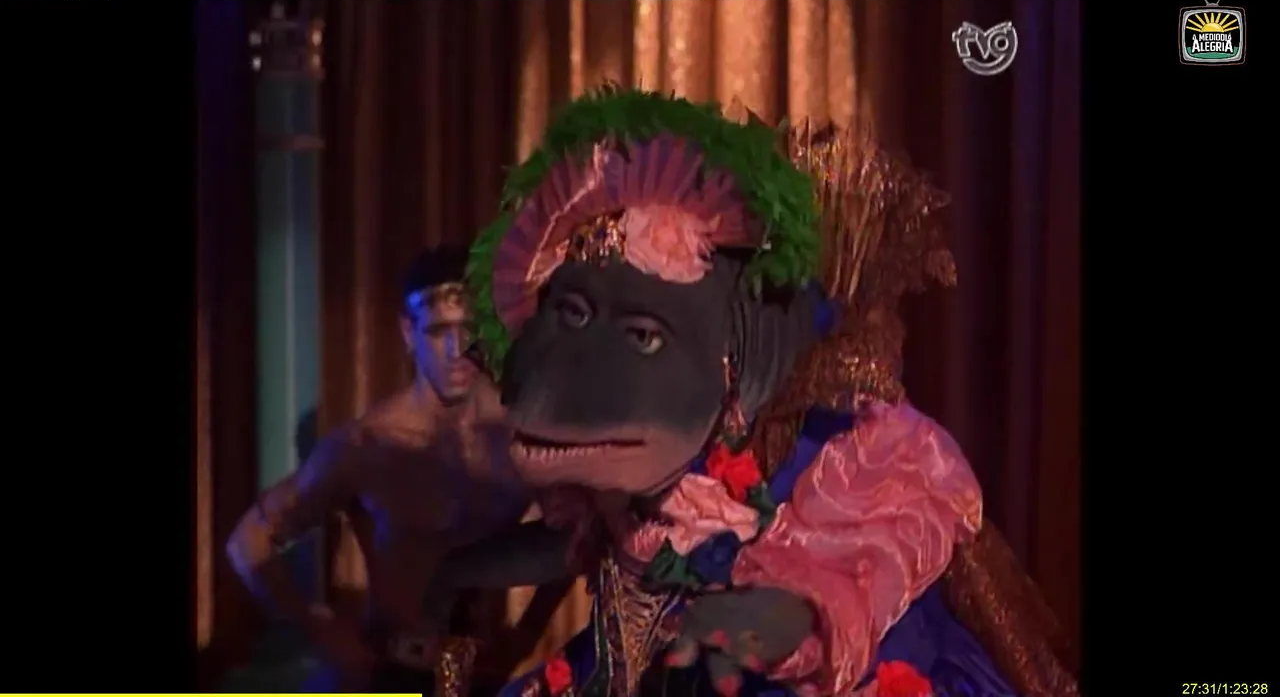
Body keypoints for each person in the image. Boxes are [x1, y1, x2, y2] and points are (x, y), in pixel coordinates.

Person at [436, 89, 1078, 696]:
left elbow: (843, 593)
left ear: (727, 362)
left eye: (640, 334)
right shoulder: (636, 476)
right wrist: (456, 571)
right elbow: (590, 549)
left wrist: (758, 625)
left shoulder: (846, 450)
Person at [225, 245, 529, 695]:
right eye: (438, 331)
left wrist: (527, 635)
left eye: (468, 328)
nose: (457, 349)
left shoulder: (518, 435)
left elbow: (582, 533)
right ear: (409, 332)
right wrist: (322, 630)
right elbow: (247, 542)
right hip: (392, 673)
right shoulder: (370, 444)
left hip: (485, 678)